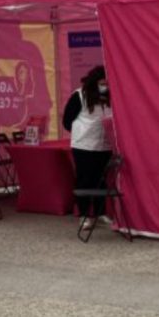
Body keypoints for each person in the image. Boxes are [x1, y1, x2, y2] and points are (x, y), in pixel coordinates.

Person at [62, 66, 112, 232]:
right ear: (93, 83)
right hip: (83, 145)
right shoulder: (79, 95)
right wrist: (80, 132)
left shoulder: (108, 96)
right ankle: (84, 214)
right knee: (85, 180)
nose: (104, 86)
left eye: (106, 83)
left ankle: (100, 212)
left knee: (101, 180)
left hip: (104, 145)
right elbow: (67, 120)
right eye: (101, 83)